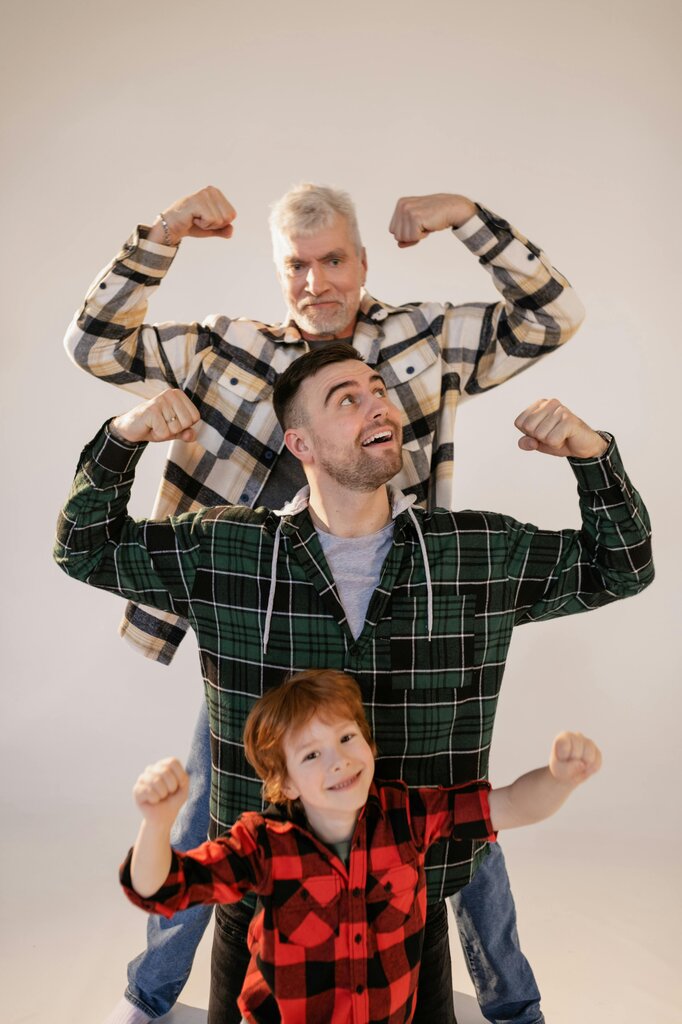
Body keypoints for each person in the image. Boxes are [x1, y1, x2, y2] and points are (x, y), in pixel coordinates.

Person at [63, 183, 586, 1024]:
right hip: (260, 629)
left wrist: (467, 218)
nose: (317, 283)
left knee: (449, 816)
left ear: (364, 261)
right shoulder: (227, 350)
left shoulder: (419, 341)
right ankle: (148, 999)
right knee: (212, 813)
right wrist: (164, 234)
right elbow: (93, 343)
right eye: (296, 267)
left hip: (397, 618)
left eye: (334, 260)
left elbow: (553, 316)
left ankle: (512, 1007)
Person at [121, 669, 601, 1024]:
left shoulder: (407, 816)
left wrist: (558, 780)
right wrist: (157, 824)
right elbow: (161, 888)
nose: (339, 760)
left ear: (370, 746)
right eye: (312, 754)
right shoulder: (263, 845)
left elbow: (509, 805)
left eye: (347, 737)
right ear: (285, 783)